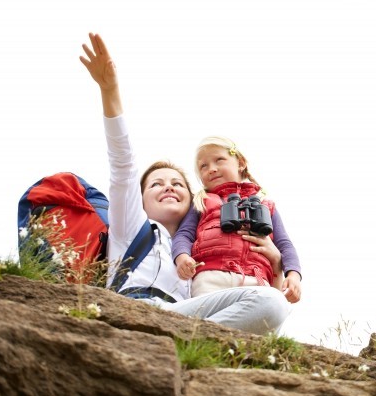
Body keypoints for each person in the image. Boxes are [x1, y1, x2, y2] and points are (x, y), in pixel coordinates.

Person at [79, 32, 291, 334]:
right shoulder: (131, 227)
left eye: (178, 183)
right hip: (140, 309)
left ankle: (180, 344)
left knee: (272, 306)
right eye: (156, 184)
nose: (169, 187)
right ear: (137, 201)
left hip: (186, 318)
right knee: (270, 305)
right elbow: (122, 165)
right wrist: (109, 91)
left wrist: (278, 265)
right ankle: (176, 342)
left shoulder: (199, 253)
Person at [172, 136, 303, 305]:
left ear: (240, 163)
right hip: (211, 274)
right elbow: (184, 234)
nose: (211, 169)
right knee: (204, 316)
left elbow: (284, 243)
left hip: (255, 277)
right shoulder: (201, 201)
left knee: (266, 308)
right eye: (203, 166)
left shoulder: (265, 206)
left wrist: (293, 275)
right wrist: (182, 256)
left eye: (219, 160)